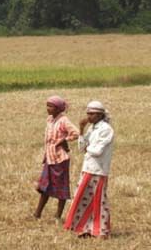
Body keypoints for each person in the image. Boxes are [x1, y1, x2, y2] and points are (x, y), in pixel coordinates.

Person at [63, 100, 115, 239]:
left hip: (98, 169)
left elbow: (97, 150)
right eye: (88, 114)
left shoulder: (106, 129)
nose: (88, 117)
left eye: (91, 114)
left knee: (98, 199)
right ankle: (88, 228)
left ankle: (102, 230)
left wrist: (87, 148)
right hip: (88, 167)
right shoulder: (92, 128)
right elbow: (81, 147)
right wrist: (81, 129)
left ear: (99, 115)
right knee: (85, 198)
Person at [34, 95, 79, 220]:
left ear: (59, 108)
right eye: (47, 106)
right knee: (44, 187)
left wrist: (64, 141)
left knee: (61, 189)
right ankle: (37, 213)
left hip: (60, 159)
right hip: (49, 158)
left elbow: (76, 133)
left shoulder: (64, 120)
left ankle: (58, 216)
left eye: (51, 106)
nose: (48, 108)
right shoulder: (49, 119)